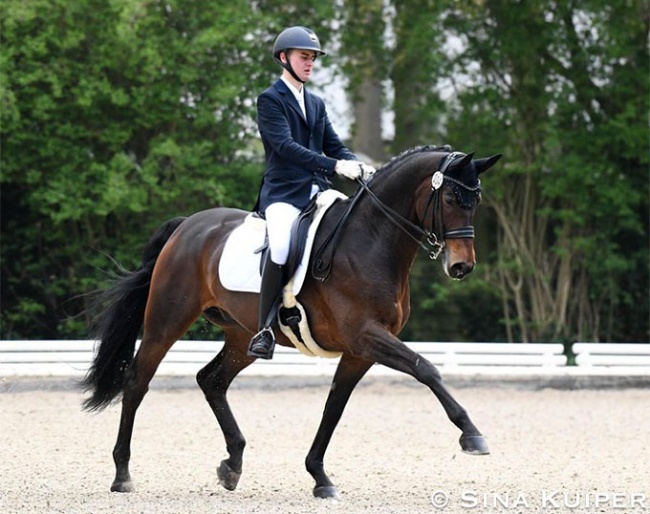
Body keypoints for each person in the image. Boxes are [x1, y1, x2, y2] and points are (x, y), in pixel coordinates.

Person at [248, 25, 375, 360]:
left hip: (319, 193)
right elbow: (286, 147)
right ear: (283, 58)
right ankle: (264, 329)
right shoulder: (270, 100)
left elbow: (335, 145)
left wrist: (357, 165)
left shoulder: (316, 103)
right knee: (280, 246)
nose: (309, 63)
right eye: (304, 57)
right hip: (283, 194)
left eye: (312, 58)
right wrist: (334, 166)